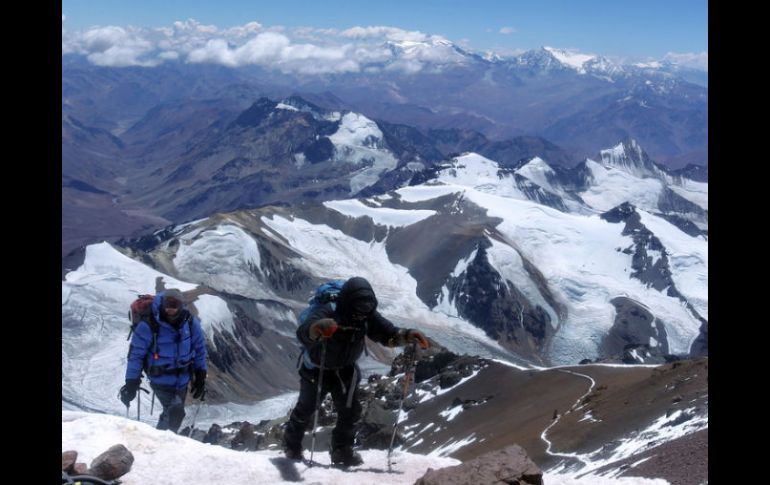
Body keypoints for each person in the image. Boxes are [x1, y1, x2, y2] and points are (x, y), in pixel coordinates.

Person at [282, 276, 430, 467]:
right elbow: (304, 332)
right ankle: (291, 446)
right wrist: (316, 329)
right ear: (349, 302)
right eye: (360, 308)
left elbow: (388, 333)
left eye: (367, 308)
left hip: (345, 369)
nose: (362, 313)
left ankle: (342, 451)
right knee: (306, 408)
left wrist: (406, 336)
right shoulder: (328, 311)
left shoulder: (366, 315)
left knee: (350, 412)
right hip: (317, 370)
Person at [119, 289, 208, 433]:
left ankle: (160, 441)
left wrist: (201, 375)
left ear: (181, 306)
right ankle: (163, 444)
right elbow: (136, 355)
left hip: (182, 380)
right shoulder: (148, 326)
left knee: (172, 412)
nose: (170, 310)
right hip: (160, 379)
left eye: (175, 305)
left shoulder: (190, 323)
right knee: (175, 413)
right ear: (162, 304)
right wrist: (131, 382)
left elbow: (199, 350)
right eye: (168, 305)